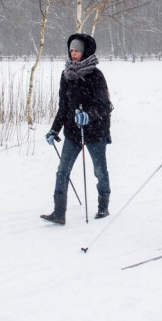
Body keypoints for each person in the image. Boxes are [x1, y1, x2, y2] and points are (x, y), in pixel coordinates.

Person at [42, 33, 113, 224]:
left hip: (96, 131)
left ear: (85, 52)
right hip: (73, 131)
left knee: (99, 171)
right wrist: (54, 130)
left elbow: (104, 106)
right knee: (62, 171)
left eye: (77, 51)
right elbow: (63, 107)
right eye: (71, 50)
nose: (73, 54)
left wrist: (88, 115)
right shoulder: (66, 76)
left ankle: (103, 207)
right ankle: (59, 212)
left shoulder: (96, 75)